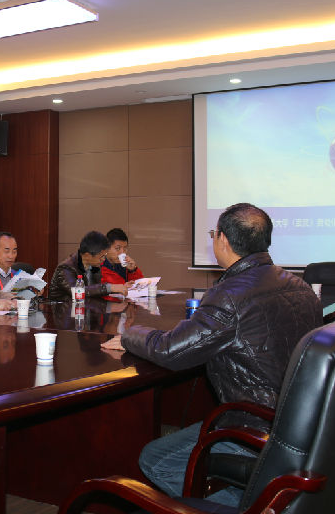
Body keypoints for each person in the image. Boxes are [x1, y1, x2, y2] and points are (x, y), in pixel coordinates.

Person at [108, 203, 320, 501]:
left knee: (156, 459)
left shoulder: (229, 294)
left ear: (223, 239)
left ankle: (256, 504)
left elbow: (171, 350)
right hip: (299, 423)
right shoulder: (300, 286)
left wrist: (129, 335)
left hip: (254, 425)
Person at [48, 231, 132, 301]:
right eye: (101, 256)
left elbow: (94, 292)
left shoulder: (94, 266)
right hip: (64, 312)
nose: (103, 259)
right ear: (87, 255)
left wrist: (120, 288)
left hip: (86, 310)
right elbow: (77, 292)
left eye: (105, 255)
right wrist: (110, 288)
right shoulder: (65, 268)